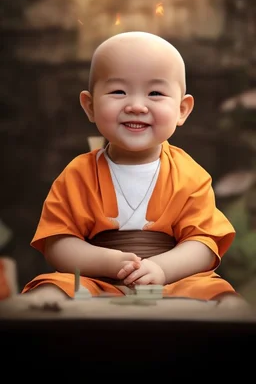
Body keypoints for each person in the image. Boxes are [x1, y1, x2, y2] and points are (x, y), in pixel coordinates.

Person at [20, 31, 247, 308]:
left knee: (216, 291)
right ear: (90, 106)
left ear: (182, 110)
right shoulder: (78, 173)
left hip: (172, 279)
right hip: (97, 278)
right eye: (118, 91)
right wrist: (109, 262)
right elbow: (58, 243)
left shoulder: (190, 174)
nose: (136, 106)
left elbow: (204, 244)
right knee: (58, 285)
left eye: (155, 93)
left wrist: (162, 269)